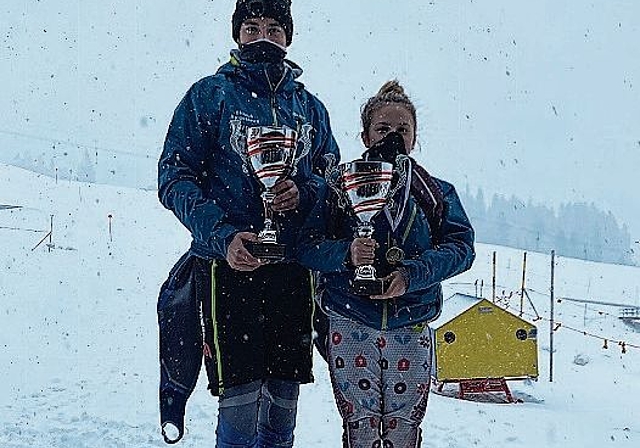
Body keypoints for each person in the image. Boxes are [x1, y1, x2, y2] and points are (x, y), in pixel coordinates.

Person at [156, 1, 340, 446]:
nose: (263, 36)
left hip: (293, 269)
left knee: (282, 398)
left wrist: (306, 191)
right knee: (238, 400)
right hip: (227, 270)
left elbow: (333, 178)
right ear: (237, 34)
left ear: (288, 36)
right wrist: (223, 237)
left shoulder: (310, 108)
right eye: (252, 26)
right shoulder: (209, 95)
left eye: (274, 28)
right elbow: (174, 177)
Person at [296, 80, 475, 447]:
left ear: (415, 136)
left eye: (402, 129)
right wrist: (346, 254)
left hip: (411, 322)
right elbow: (307, 246)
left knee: (404, 427)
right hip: (350, 319)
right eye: (382, 128)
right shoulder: (338, 186)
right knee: (358, 425)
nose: (392, 136)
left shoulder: (435, 191)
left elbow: (462, 247)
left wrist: (412, 275)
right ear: (365, 135)